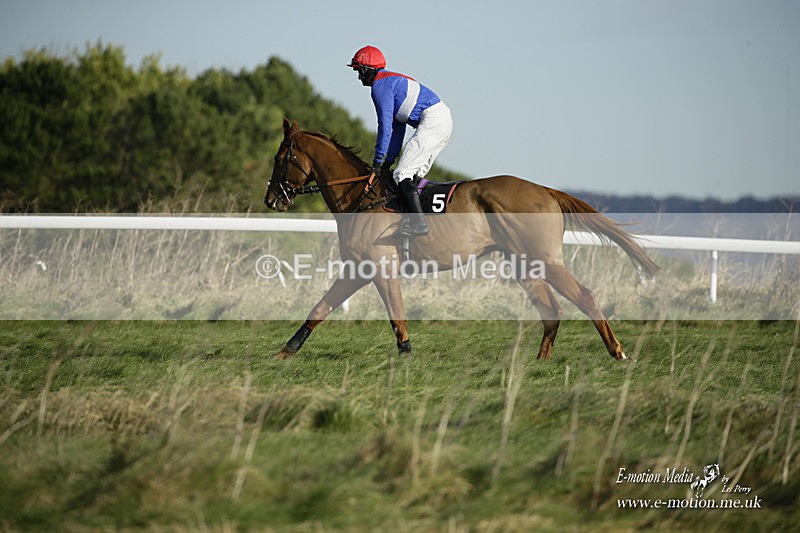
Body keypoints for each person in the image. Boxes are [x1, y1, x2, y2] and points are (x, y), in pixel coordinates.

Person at [347, 45, 452, 236]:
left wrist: (377, 162)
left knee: (403, 173)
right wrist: (388, 160)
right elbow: (397, 128)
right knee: (412, 177)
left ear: (367, 69)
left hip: (433, 120)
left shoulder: (380, 86)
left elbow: (385, 127)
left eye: (359, 71)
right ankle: (417, 220)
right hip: (442, 119)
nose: (359, 77)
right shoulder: (390, 81)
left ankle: (419, 225)